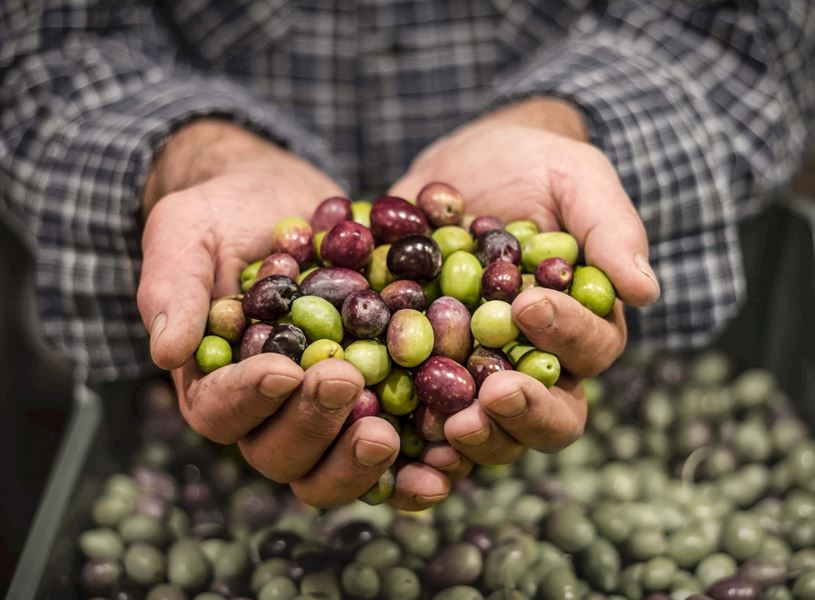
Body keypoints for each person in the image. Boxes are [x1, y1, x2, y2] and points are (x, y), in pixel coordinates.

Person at [1, 0, 813, 510]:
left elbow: (746, 25)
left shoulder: (473, 284)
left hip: (583, 224)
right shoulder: (335, 290)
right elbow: (39, 47)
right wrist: (188, 159)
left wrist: (561, 123)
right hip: (162, 301)